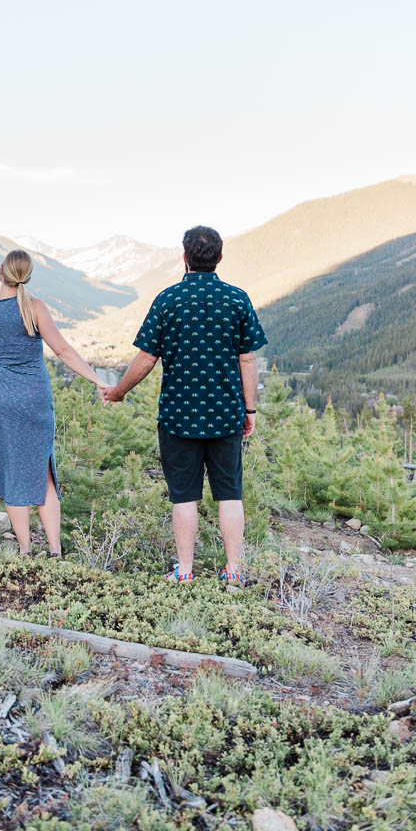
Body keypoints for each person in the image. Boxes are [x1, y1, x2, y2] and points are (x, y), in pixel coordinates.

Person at [101, 225, 267, 584]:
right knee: (230, 493)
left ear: (185, 257)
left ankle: (185, 571)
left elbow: (146, 359)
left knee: (185, 497)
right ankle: (234, 571)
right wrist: (249, 410)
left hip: (178, 415)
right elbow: (248, 360)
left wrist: (119, 391)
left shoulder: (168, 300)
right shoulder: (237, 299)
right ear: (219, 258)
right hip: (226, 414)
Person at [0, 249, 104, 558]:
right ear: (27, 276)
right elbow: (63, 351)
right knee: (43, 472)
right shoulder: (35, 308)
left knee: (12, 472)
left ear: (1, 271)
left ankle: (26, 550)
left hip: (2, 398)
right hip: (35, 398)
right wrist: (97, 379)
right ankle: (55, 551)